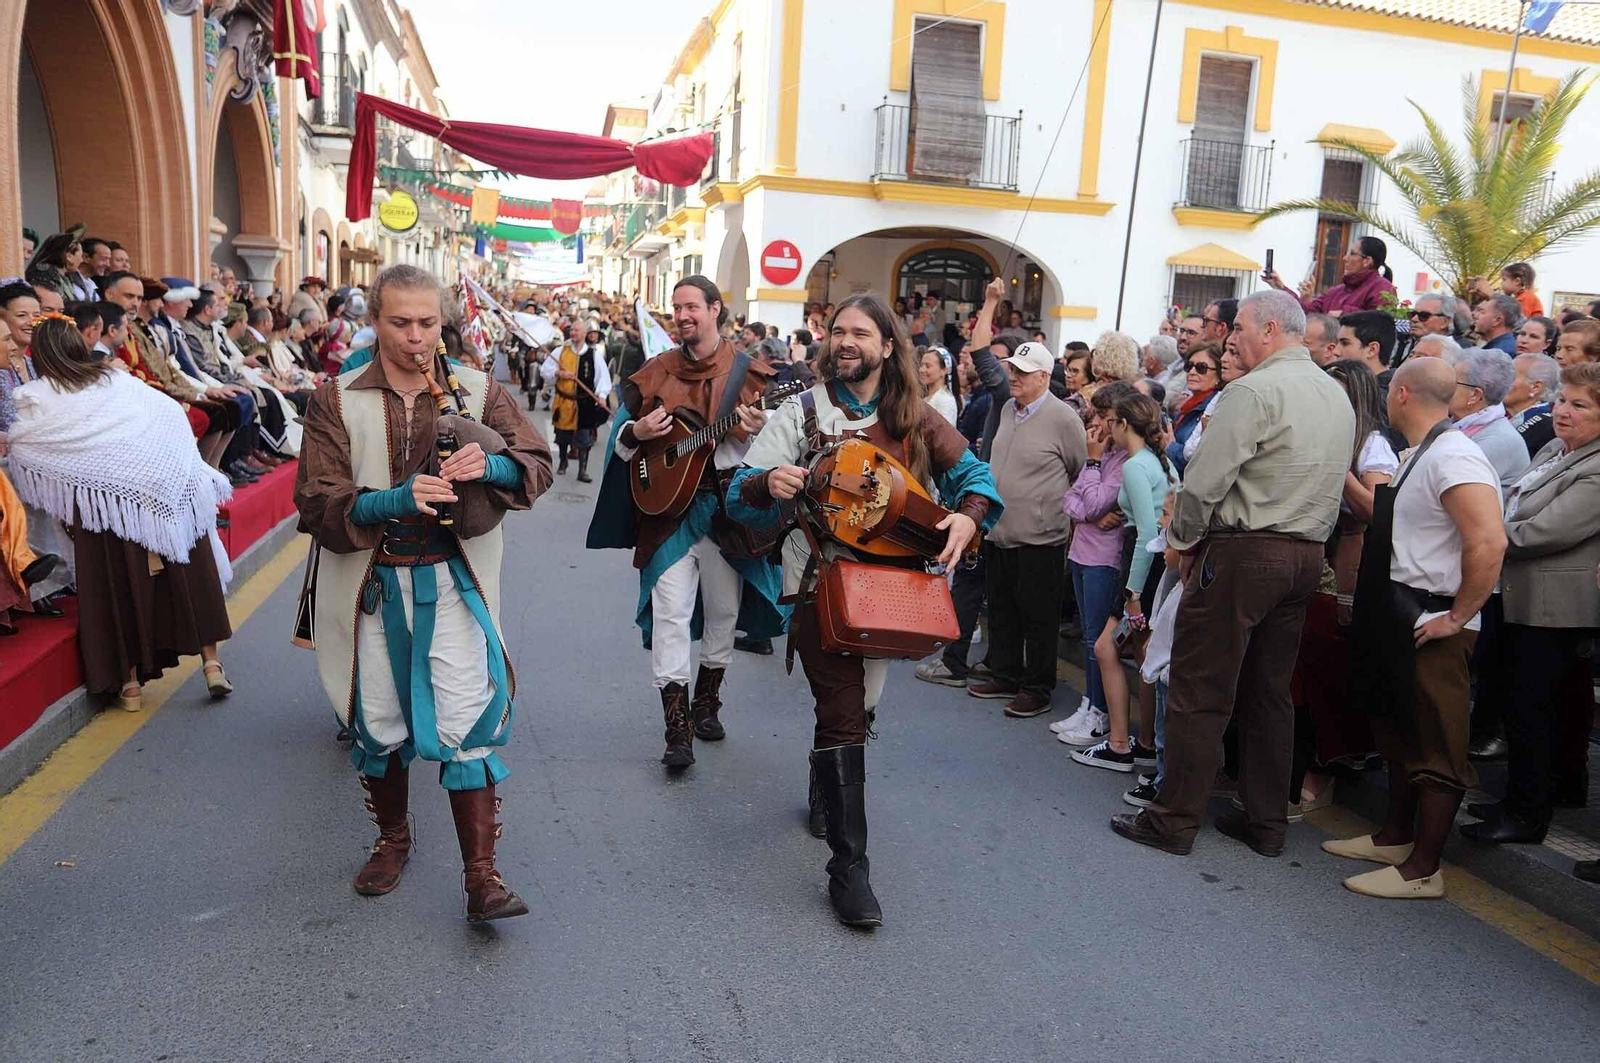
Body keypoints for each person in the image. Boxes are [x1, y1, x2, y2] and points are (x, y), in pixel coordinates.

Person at [725, 293, 1001, 927]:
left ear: (885, 346)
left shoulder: (916, 416)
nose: (846, 341)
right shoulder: (801, 411)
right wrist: (768, 482)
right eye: (838, 332)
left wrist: (967, 518)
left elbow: (976, 479)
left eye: (860, 333)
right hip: (817, 579)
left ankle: (826, 781)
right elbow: (738, 492)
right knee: (845, 706)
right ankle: (849, 871)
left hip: (892, 589)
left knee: (861, 706)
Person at [293, 264, 554, 922]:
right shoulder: (336, 397)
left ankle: (482, 878)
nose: (415, 337)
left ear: (444, 321)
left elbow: (537, 462)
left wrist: (490, 464)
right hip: (372, 584)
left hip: (452, 581)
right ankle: (393, 839)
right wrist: (391, 499)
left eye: (428, 323)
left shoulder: (476, 389)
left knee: (469, 720)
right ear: (374, 322)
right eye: (400, 322)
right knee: (376, 718)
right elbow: (316, 502)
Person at [1111, 290, 1354, 857]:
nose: (1231, 338)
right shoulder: (1333, 393)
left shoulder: (1253, 390)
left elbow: (1202, 484)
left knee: (1200, 688)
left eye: (1239, 327)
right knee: (1270, 692)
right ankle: (1267, 823)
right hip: (1304, 555)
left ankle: (1172, 820)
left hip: (1246, 550)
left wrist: (1185, 545)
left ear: (1270, 329)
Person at [586, 276, 788, 768]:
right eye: (677, 308)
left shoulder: (751, 376)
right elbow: (621, 446)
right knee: (671, 615)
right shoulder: (655, 372)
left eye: (692, 307)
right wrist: (635, 429)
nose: (683, 316)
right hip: (669, 515)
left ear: (716, 310)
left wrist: (752, 435)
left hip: (726, 514)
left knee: (723, 614)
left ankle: (706, 704)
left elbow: (775, 454)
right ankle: (675, 729)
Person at [1324, 358, 1505, 899]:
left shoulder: (1454, 456)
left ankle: (1424, 868)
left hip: (1435, 616)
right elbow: (1388, 520)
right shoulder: (1422, 453)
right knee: (1403, 731)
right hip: (1406, 609)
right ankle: (1394, 838)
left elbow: (1490, 540)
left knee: (1437, 744)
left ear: (1400, 394)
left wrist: (1457, 616)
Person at [4, 316, 234, 711]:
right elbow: (166, 411)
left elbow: (24, 443)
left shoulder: (36, 394)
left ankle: (129, 685)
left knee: (119, 583)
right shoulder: (114, 378)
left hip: (105, 505)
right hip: (161, 480)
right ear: (79, 345)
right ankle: (212, 663)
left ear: (36, 354)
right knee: (190, 569)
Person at [1462, 362, 1600, 849]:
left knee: (1531, 709)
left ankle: (1526, 814)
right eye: (1562, 400)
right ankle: (1524, 800)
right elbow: (1514, 506)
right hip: (1520, 597)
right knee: (1524, 706)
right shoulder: (1554, 448)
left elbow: (1546, 531)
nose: (1563, 411)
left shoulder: (1596, 466)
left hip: (1554, 608)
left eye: (1579, 405)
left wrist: (1482, 534)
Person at [961, 340, 1085, 717]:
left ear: (1045, 377)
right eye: (1013, 369)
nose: (1013, 377)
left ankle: (1037, 687)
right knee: (1002, 609)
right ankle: (1006, 672)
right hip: (1000, 531)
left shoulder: (1064, 418)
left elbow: (1079, 471)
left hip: (1040, 536)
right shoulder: (1007, 410)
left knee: (1038, 616)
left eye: (1023, 372)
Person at [1072, 392, 1176, 769]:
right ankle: (1145, 742)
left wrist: (1132, 593)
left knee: (1108, 648)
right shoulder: (1156, 462)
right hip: (1159, 561)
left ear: (1123, 424)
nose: (1105, 428)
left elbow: (1146, 531)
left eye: (1110, 420)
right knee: (1145, 652)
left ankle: (1120, 744)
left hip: (1142, 563)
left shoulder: (1135, 466)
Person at [1054, 381, 1140, 738]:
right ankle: (1089, 703)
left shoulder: (1121, 460)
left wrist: (1090, 464)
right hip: (1083, 550)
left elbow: (1090, 502)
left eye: (1104, 416)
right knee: (1091, 635)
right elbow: (1071, 501)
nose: (1098, 422)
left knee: (1097, 639)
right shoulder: (1102, 453)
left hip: (1105, 558)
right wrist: (1089, 514)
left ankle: (1100, 710)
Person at [1449, 350, 1531, 492]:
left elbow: (1441, 485)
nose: (1444, 386)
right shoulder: (1457, 420)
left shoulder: (1498, 441)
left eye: (1451, 381)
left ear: (1475, 395)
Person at [542, 323, 612, 482]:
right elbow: (544, 371)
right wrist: (559, 373)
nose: (573, 333)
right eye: (572, 330)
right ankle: (563, 461)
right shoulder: (561, 351)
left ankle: (582, 470)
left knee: (585, 438)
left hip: (584, 403)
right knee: (562, 436)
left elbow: (603, 377)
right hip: (563, 400)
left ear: (584, 333)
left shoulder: (594, 355)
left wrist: (601, 396)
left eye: (577, 330)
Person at [1267, 235, 1397, 315]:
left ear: (1367, 261)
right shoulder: (1337, 291)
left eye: (1352, 254)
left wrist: (1343, 313)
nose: (1345, 258)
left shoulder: (1383, 288)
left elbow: (1380, 321)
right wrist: (1280, 287)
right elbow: (1308, 311)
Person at [1166, 342, 1220, 474]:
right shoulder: (1186, 406)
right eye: (1189, 366)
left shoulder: (1215, 408)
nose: (1192, 372)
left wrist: (1168, 447)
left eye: (1201, 368)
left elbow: (1196, 460)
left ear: (1218, 374)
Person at [1505, 353, 1561, 457]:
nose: (1502, 381)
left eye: (1510, 376)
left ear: (1535, 387)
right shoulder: (1502, 413)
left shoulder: (1545, 427)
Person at [1336, 310, 1399, 402]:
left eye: (1345, 343)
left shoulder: (1380, 399)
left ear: (1372, 350)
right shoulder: (1359, 388)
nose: (1335, 351)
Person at [1474, 262, 1543, 320]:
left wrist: (1491, 295)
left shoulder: (1526, 298)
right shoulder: (1521, 297)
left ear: (1517, 281)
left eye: (1504, 279)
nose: (1501, 283)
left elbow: (1515, 321)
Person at [920, 345, 957, 424]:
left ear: (944, 370)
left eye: (928, 366)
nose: (922, 370)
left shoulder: (945, 401)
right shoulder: (927, 397)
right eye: (921, 365)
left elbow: (945, 433)